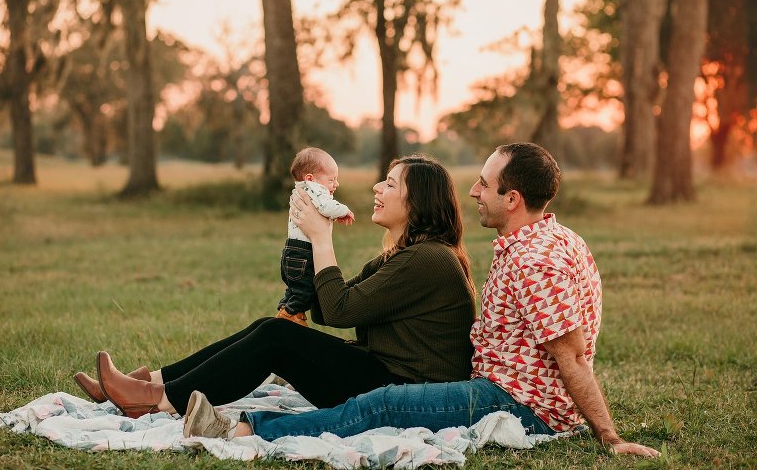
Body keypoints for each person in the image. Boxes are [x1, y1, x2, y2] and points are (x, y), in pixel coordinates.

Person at [182, 143, 659, 458]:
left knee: (382, 406)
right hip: (497, 386)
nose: (472, 191)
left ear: (512, 198)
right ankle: (178, 399)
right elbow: (338, 308)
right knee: (366, 391)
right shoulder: (547, 240)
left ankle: (245, 432)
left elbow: (571, 352)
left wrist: (609, 436)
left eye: (485, 185)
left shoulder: (535, 260)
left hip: (515, 402)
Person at [73, 155, 476, 422]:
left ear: (417, 200)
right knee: (271, 327)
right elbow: (326, 308)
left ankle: (151, 401)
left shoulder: (429, 260)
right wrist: (304, 241)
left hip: (407, 394)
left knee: (275, 336)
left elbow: (337, 312)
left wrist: (322, 239)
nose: (376, 188)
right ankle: (148, 384)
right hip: (384, 374)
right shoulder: (407, 255)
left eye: (389, 184)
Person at [276, 147, 354, 326]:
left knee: (296, 288)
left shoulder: (301, 191)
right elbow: (326, 207)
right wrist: (344, 210)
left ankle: (286, 311)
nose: (336, 184)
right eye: (332, 179)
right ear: (310, 178)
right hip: (302, 253)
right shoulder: (314, 190)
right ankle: (291, 314)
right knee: (308, 289)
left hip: (292, 251)